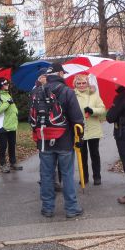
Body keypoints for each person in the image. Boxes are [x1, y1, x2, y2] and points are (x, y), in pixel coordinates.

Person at [32, 62, 84, 218]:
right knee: (67, 174)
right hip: (64, 139)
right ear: (60, 74)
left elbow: (32, 118)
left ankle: (47, 208)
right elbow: (77, 118)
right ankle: (71, 208)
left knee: (46, 175)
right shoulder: (67, 91)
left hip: (44, 139)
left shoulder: (37, 91)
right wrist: (79, 137)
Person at [73, 74, 106, 186]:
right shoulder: (72, 95)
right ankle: (84, 177)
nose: (81, 85)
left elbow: (102, 109)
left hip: (93, 129)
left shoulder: (94, 94)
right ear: (75, 85)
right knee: (82, 155)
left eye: (84, 83)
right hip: (79, 130)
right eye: (79, 83)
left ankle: (97, 177)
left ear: (87, 83)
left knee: (94, 154)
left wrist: (92, 111)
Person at [0, 77, 22, 173]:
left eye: (7, 83)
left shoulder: (8, 95)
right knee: (3, 145)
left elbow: (12, 109)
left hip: (11, 125)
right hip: (2, 126)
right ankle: (3, 164)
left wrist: (16, 112)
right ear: (0, 87)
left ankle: (13, 162)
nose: (7, 85)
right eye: (5, 84)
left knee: (12, 144)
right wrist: (7, 103)